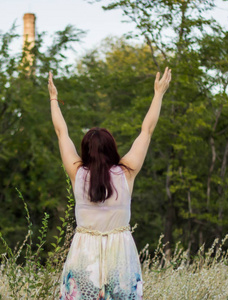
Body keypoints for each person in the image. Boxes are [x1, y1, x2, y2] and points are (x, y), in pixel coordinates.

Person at [48, 68, 172, 300]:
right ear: (112, 148)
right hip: (120, 254)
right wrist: (158, 94)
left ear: (85, 150)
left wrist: (54, 99)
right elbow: (147, 131)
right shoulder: (126, 172)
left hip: (84, 253)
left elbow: (61, 133)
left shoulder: (78, 173)